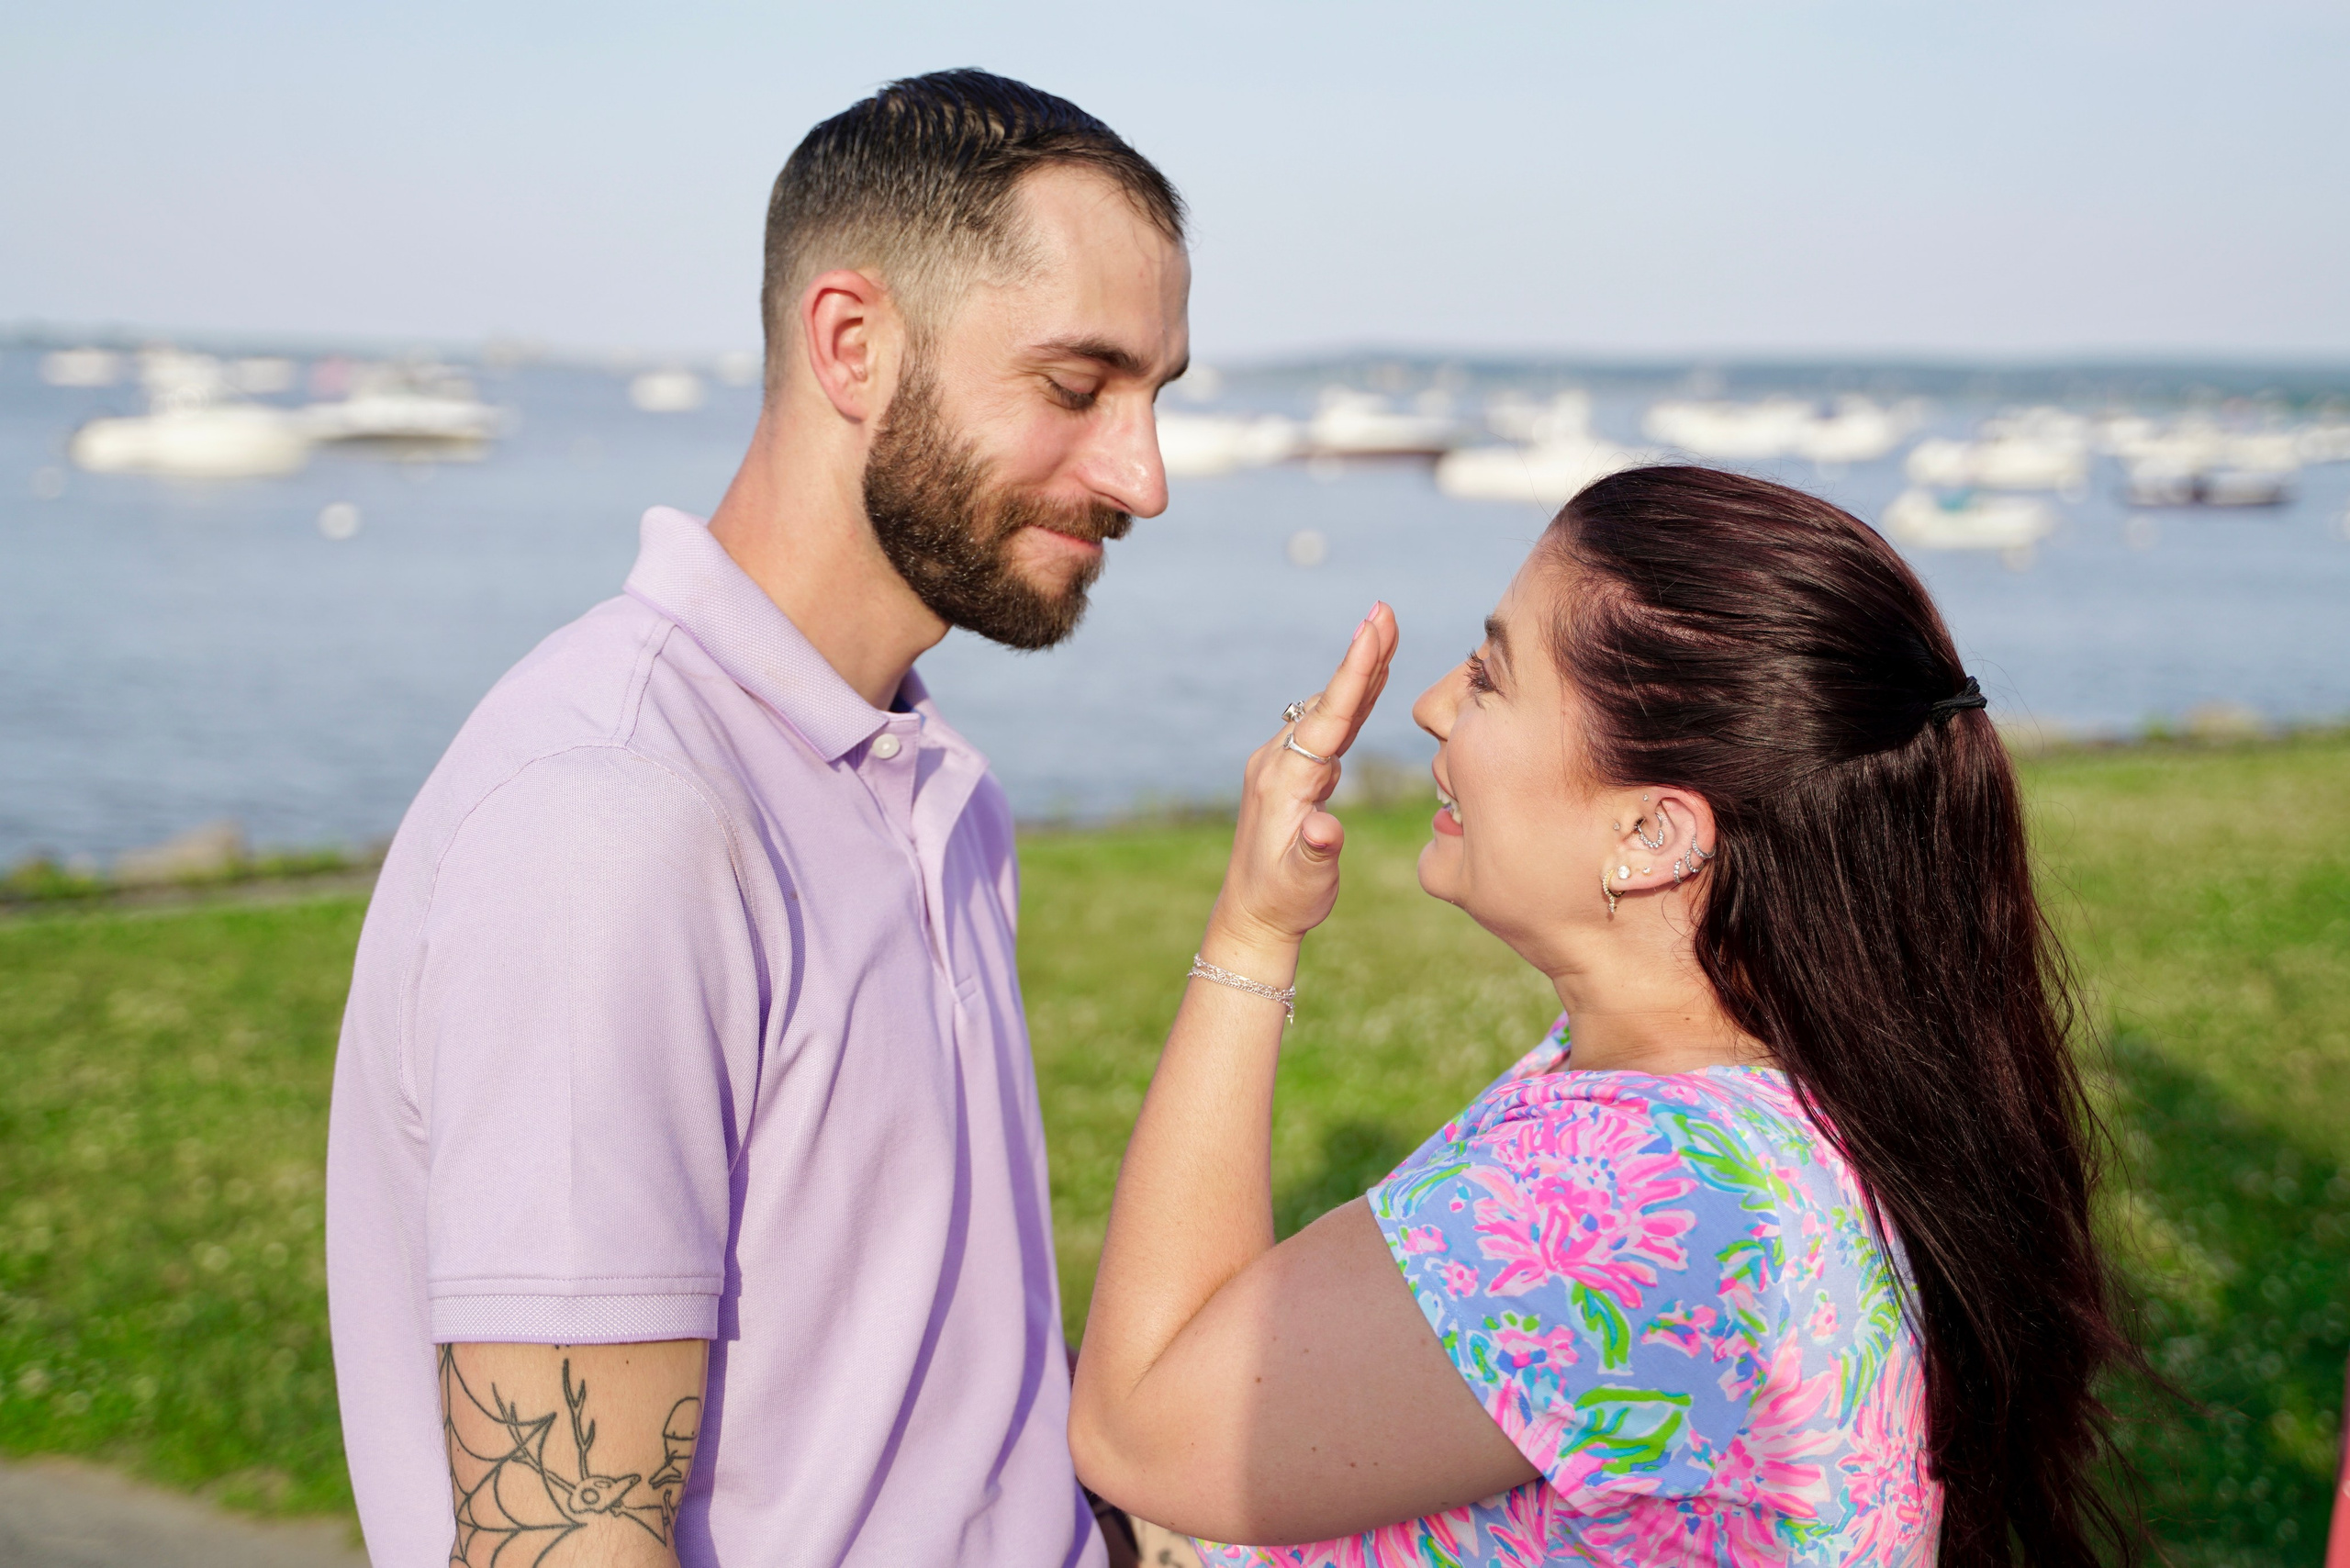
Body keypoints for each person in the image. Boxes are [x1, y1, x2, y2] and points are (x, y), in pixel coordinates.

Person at [326, 70, 1189, 1568]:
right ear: (850, 343)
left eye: (1157, 397)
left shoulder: (939, 782)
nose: (1144, 475)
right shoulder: (616, 811)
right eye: (1076, 386)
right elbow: (565, 1537)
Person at [1069, 465, 2143, 1566]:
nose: (1434, 703)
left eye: (1490, 677)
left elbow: (1136, 1427)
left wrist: (1249, 933)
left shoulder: (1611, 1197)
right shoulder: (1783, 1097)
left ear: (1651, 834)